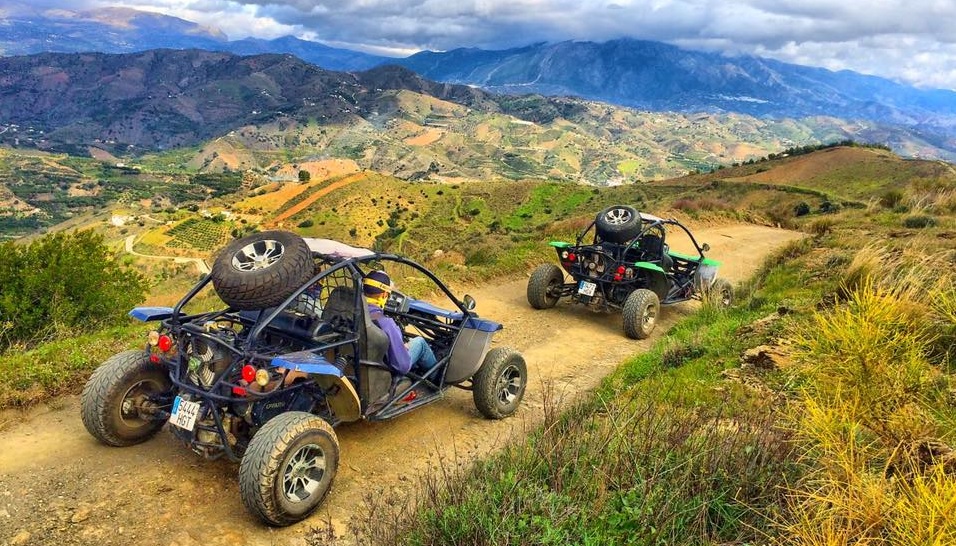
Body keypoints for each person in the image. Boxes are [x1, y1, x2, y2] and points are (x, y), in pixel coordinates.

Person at [363, 270, 437, 374]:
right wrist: (404, 348)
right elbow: (402, 366)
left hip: (363, 360)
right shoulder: (386, 323)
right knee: (420, 342)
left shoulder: (351, 312)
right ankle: (436, 375)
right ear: (384, 295)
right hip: (383, 368)